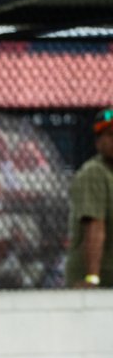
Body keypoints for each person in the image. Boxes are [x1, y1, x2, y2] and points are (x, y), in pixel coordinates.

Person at [65, 108, 113, 289]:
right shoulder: (94, 173)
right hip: (99, 282)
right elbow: (95, 227)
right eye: (109, 134)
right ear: (98, 142)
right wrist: (92, 278)